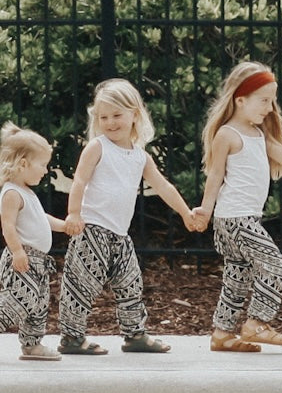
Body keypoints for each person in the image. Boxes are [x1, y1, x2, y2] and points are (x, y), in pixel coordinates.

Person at [58, 78, 197, 354]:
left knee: (131, 283)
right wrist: (74, 213)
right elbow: (79, 182)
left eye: (117, 115)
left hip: (120, 235)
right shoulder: (97, 147)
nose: (110, 123)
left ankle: (135, 334)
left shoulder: (140, 157)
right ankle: (71, 337)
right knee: (81, 283)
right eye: (104, 117)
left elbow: (163, 186)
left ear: (135, 114)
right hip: (92, 230)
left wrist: (185, 212)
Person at [194, 62, 282, 352]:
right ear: (240, 99)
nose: (270, 107)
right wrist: (204, 210)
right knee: (275, 267)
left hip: (242, 218)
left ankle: (222, 333)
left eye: (272, 100)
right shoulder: (228, 134)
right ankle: (257, 323)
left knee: (237, 276)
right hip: (235, 219)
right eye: (264, 100)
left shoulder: (259, 135)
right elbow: (215, 177)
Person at [0, 123, 65, 362]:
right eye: (42, 165)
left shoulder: (27, 193)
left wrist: (64, 226)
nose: (45, 170)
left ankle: (32, 344)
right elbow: (8, 227)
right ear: (23, 164)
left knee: (39, 303)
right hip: (23, 258)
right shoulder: (12, 193)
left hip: (38, 262)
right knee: (21, 300)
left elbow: (41, 220)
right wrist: (18, 251)